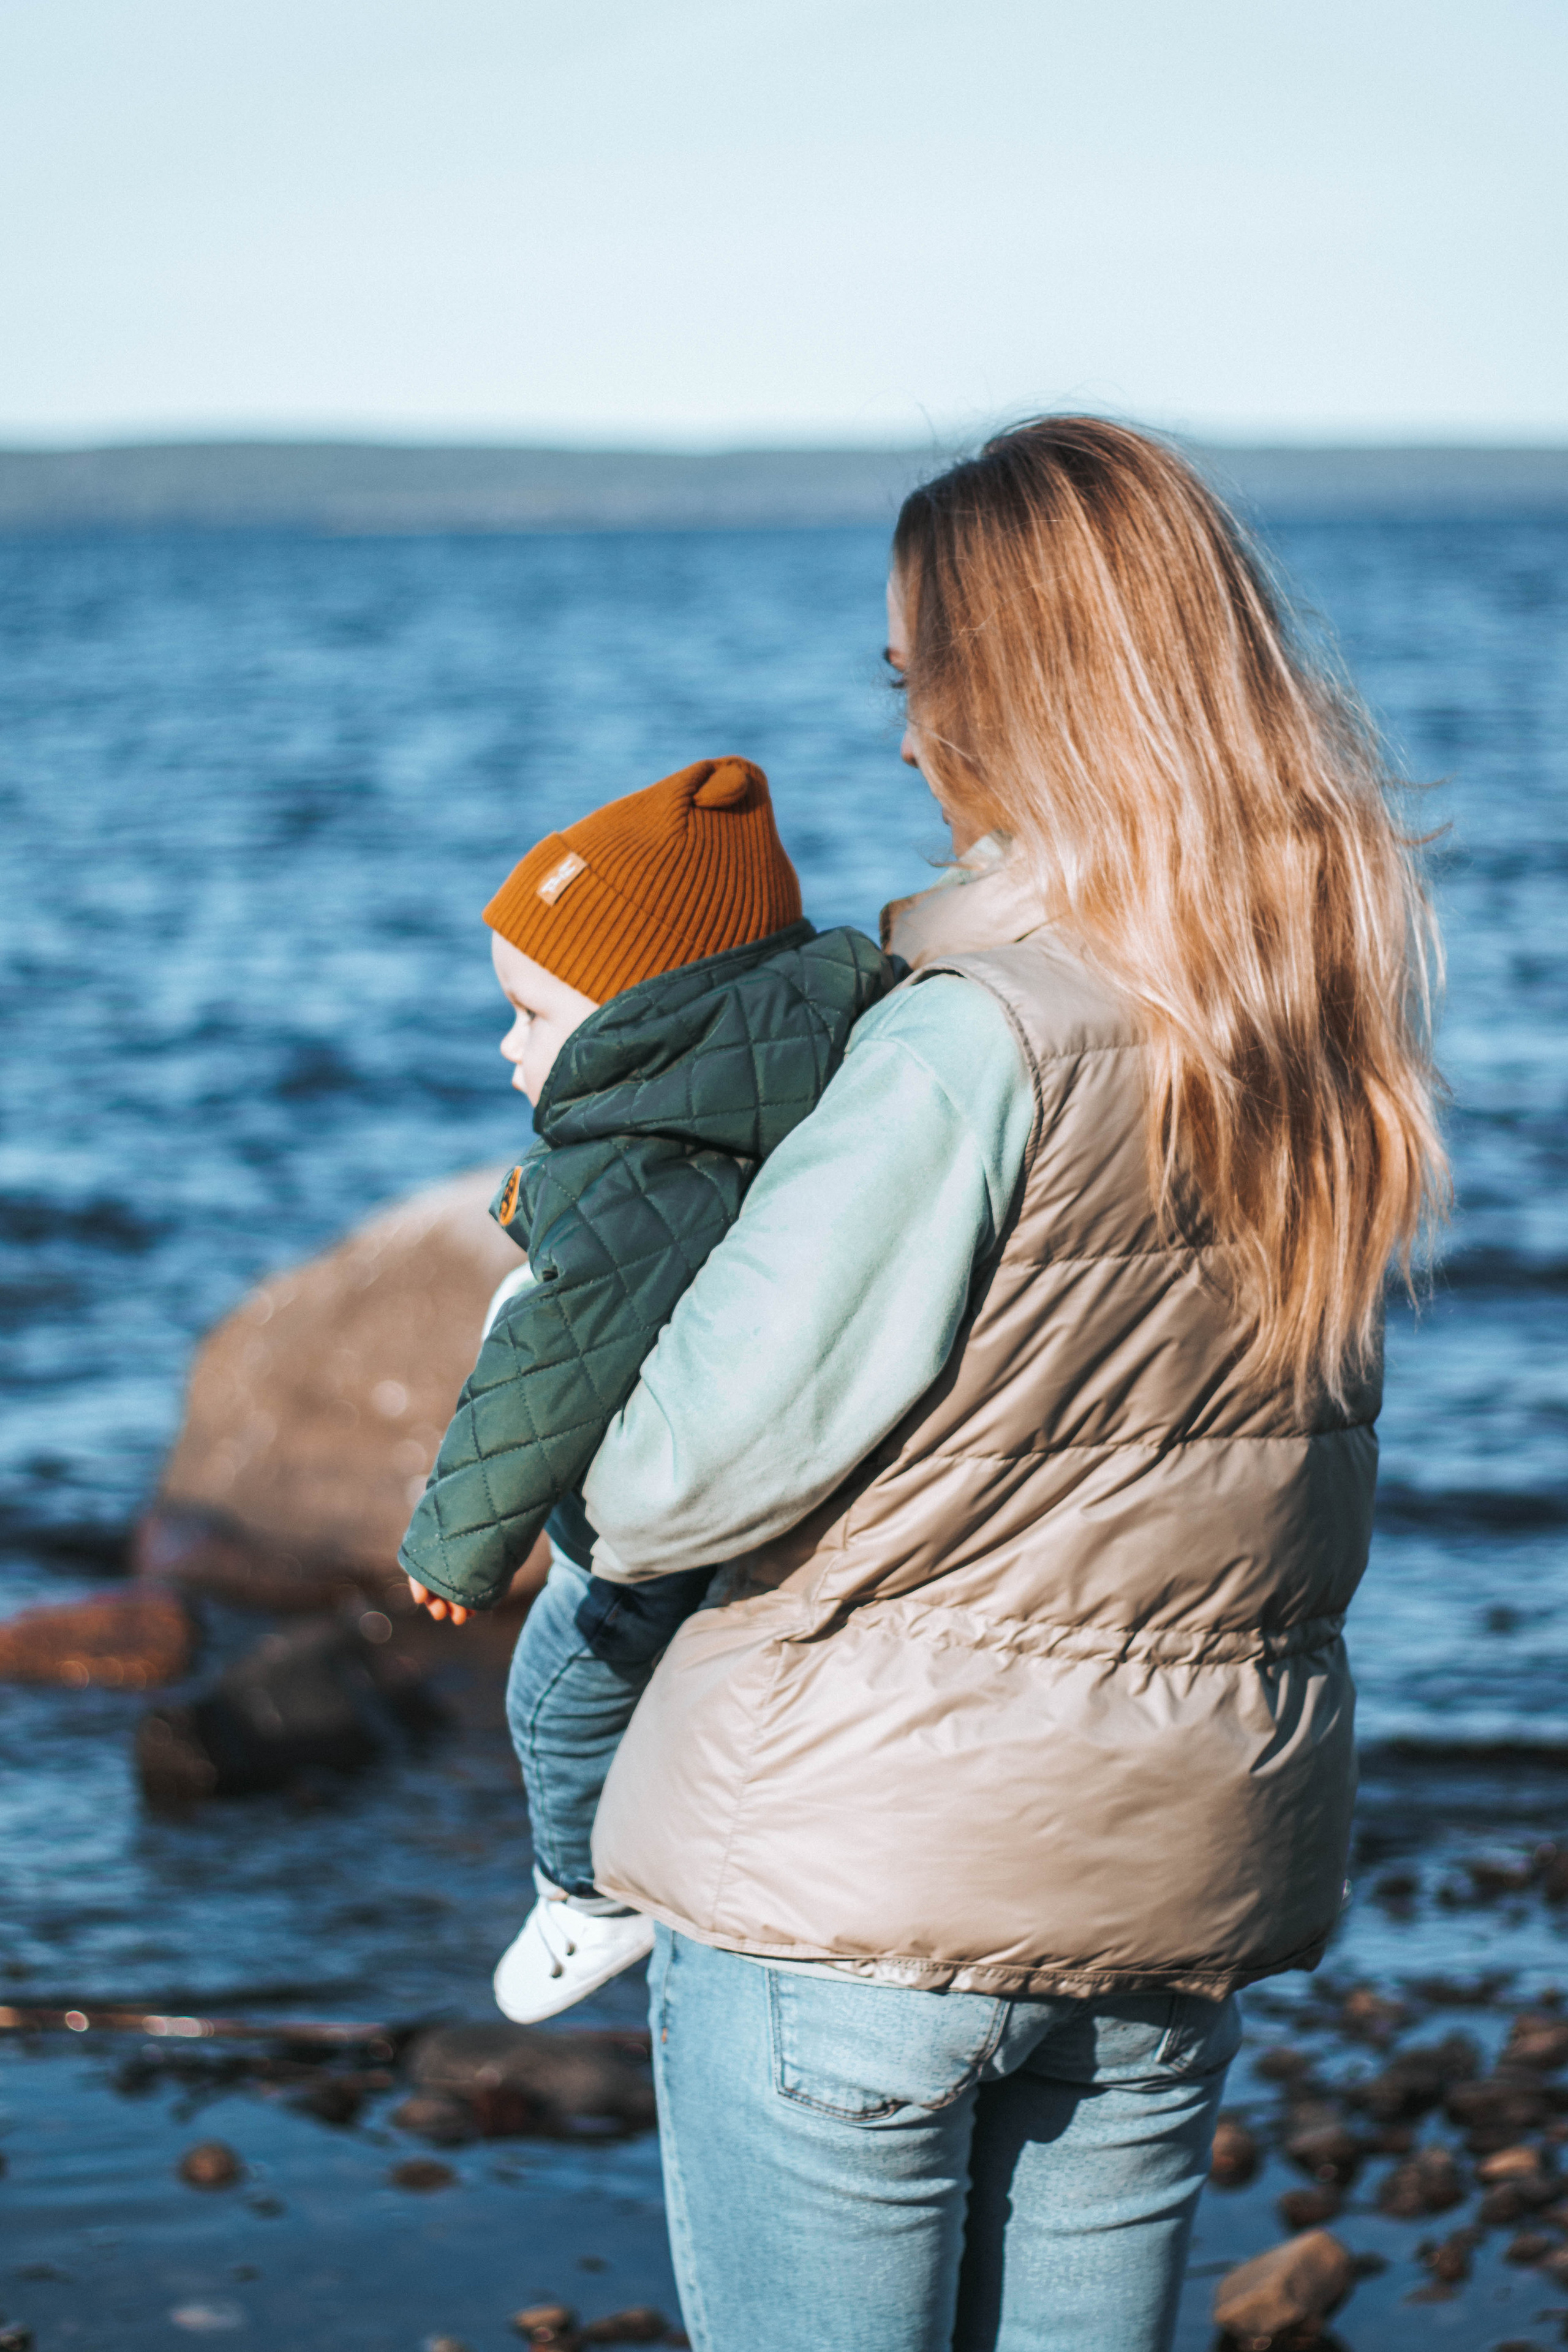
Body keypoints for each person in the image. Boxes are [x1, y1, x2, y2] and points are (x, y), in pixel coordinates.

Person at [562, 418, 1449, 2352]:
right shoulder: (1317, 1041)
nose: (902, 741)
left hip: (846, 1897)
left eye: (921, 681)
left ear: (1023, 688)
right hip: (1170, 1895)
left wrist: (561, 1346)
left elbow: (667, 1483)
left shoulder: (975, 1041)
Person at [397, 754, 892, 2017]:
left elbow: (552, 1357)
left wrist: (459, 1543)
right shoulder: (811, 1041)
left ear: (639, 1011)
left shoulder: (638, 1159)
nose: (510, 1046)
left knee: (555, 1692)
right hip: (788, 1451)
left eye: (534, 1015)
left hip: (673, 1503)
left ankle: (583, 1898)